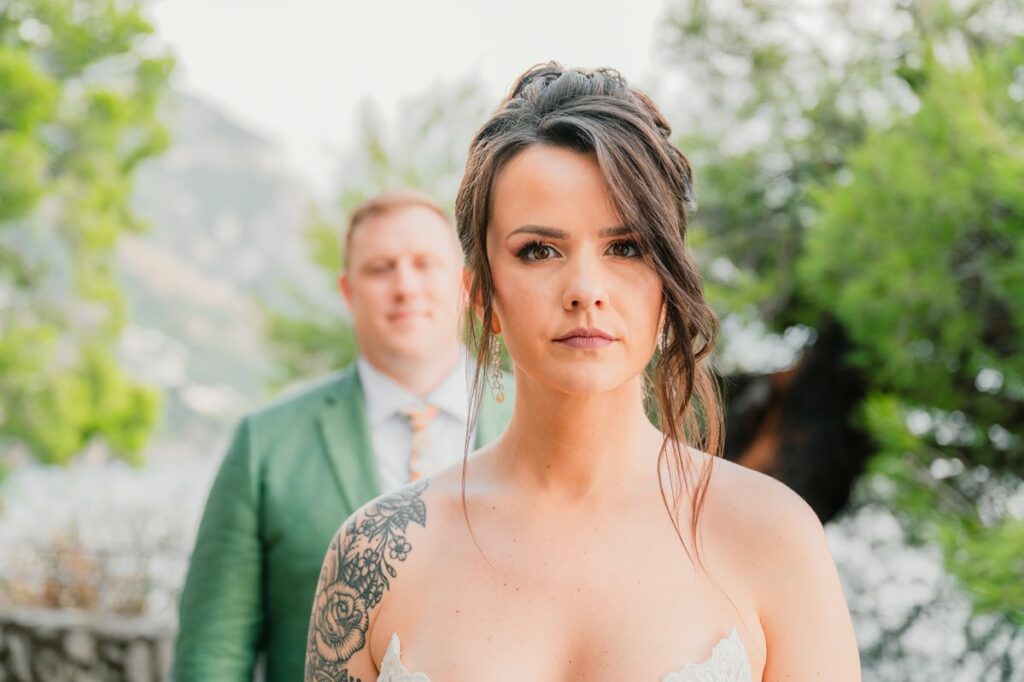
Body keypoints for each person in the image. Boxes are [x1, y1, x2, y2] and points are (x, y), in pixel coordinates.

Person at [305, 64, 861, 682]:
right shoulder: (379, 553)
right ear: (482, 295)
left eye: (626, 248)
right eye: (538, 251)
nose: (585, 290)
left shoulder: (773, 537)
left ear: (667, 287)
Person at [172, 191, 513, 682]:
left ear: (464, 284)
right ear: (348, 291)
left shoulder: (545, 417)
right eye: (380, 268)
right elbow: (211, 660)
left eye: (425, 263)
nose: (405, 286)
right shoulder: (264, 445)